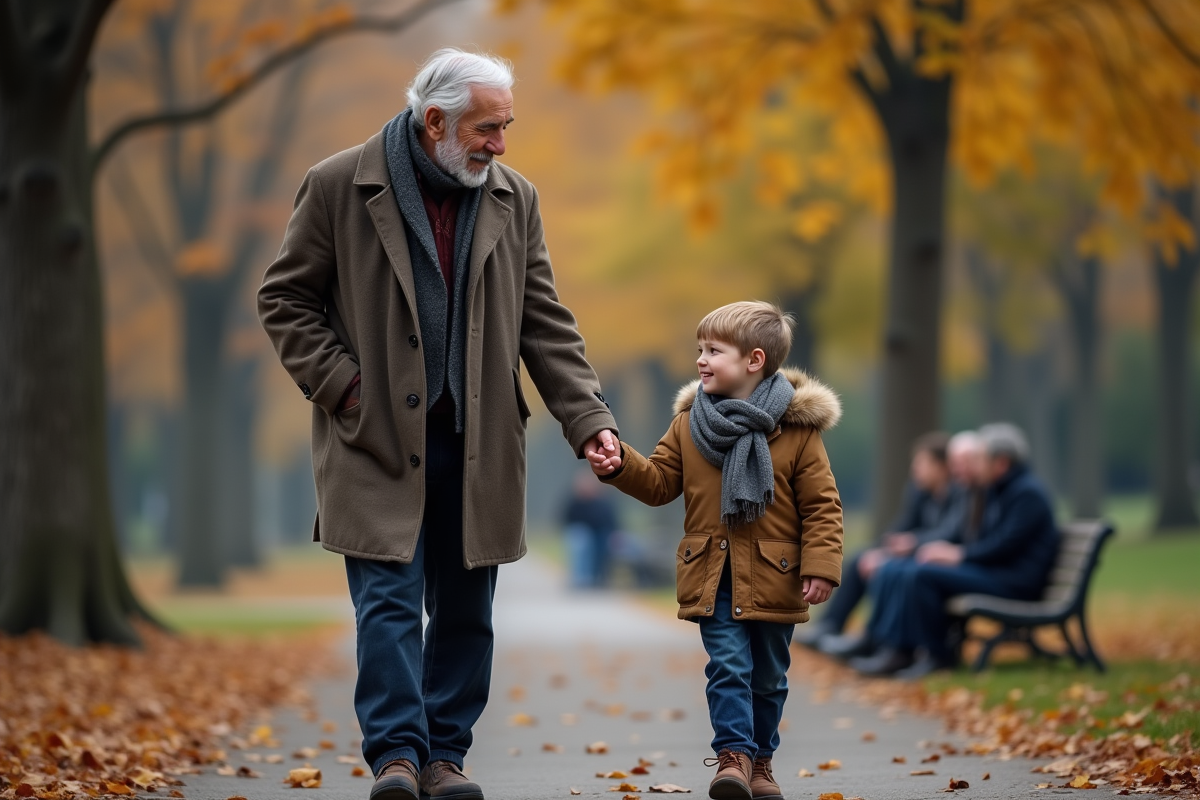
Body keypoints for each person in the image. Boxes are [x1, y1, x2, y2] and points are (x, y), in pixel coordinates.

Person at [258, 48, 620, 800]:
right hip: (374, 441)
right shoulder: (337, 184)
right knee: (388, 606)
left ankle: (444, 755)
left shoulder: (515, 197)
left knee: (465, 613)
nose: (500, 144)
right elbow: (284, 300)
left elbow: (543, 321)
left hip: (478, 443)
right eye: (488, 128)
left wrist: (586, 418)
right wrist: (346, 389)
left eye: (506, 126)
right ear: (435, 122)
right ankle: (397, 756)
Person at [587, 301, 844, 800]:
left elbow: (822, 506)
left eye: (713, 351)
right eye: (699, 349)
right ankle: (734, 757)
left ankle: (761, 763)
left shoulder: (797, 431)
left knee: (768, 678)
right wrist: (620, 464)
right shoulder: (690, 424)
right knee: (727, 666)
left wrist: (821, 566)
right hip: (713, 574)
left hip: (775, 575)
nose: (701, 360)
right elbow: (660, 483)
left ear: (754, 360)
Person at [849, 423, 1060, 679]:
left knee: (922, 574)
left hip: (1015, 582)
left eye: (981, 459)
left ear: (1002, 463)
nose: (975, 466)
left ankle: (936, 655)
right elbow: (983, 539)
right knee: (907, 569)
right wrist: (950, 552)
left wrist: (958, 555)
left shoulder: (1026, 494)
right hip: (996, 572)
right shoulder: (999, 490)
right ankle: (896, 648)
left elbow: (1004, 546)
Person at [807, 431, 983, 657]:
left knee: (889, 569)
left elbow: (951, 534)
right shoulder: (921, 491)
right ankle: (831, 625)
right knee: (861, 557)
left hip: (933, 556)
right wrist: (882, 549)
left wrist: (911, 544)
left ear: (940, 467)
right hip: (922, 553)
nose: (915, 470)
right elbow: (903, 525)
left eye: (921, 463)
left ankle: (878, 641)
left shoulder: (960, 492)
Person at [561, 471, 619, 588]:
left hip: (602, 534)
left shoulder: (602, 502)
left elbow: (612, 521)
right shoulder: (575, 502)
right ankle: (581, 578)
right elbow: (567, 520)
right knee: (581, 539)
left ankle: (600, 577)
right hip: (584, 535)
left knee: (605, 545)